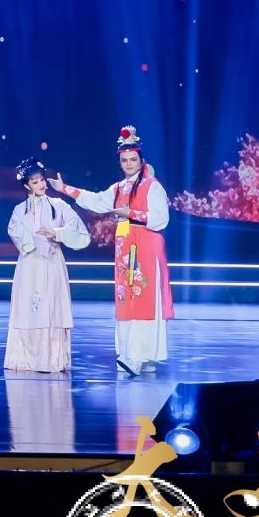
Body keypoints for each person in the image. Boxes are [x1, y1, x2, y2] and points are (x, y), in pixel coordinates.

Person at [49, 125, 173, 376]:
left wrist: (132, 213)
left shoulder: (152, 186)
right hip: (125, 248)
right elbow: (95, 200)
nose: (129, 164)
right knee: (127, 300)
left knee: (143, 299)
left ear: (141, 160)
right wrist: (64, 189)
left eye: (133, 159)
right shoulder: (118, 188)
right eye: (124, 160)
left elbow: (161, 219)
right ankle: (132, 354)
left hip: (145, 247)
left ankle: (138, 356)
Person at [4, 157, 90, 373]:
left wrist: (56, 233)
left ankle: (51, 360)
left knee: (52, 307)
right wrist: (30, 226)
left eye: (41, 180)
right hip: (30, 264)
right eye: (35, 182)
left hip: (52, 262)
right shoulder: (20, 210)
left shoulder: (58, 206)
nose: (41, 184)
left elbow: (80, 231)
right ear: (27, 186)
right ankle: (27, 359)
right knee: (30, 307)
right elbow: (14, 232)